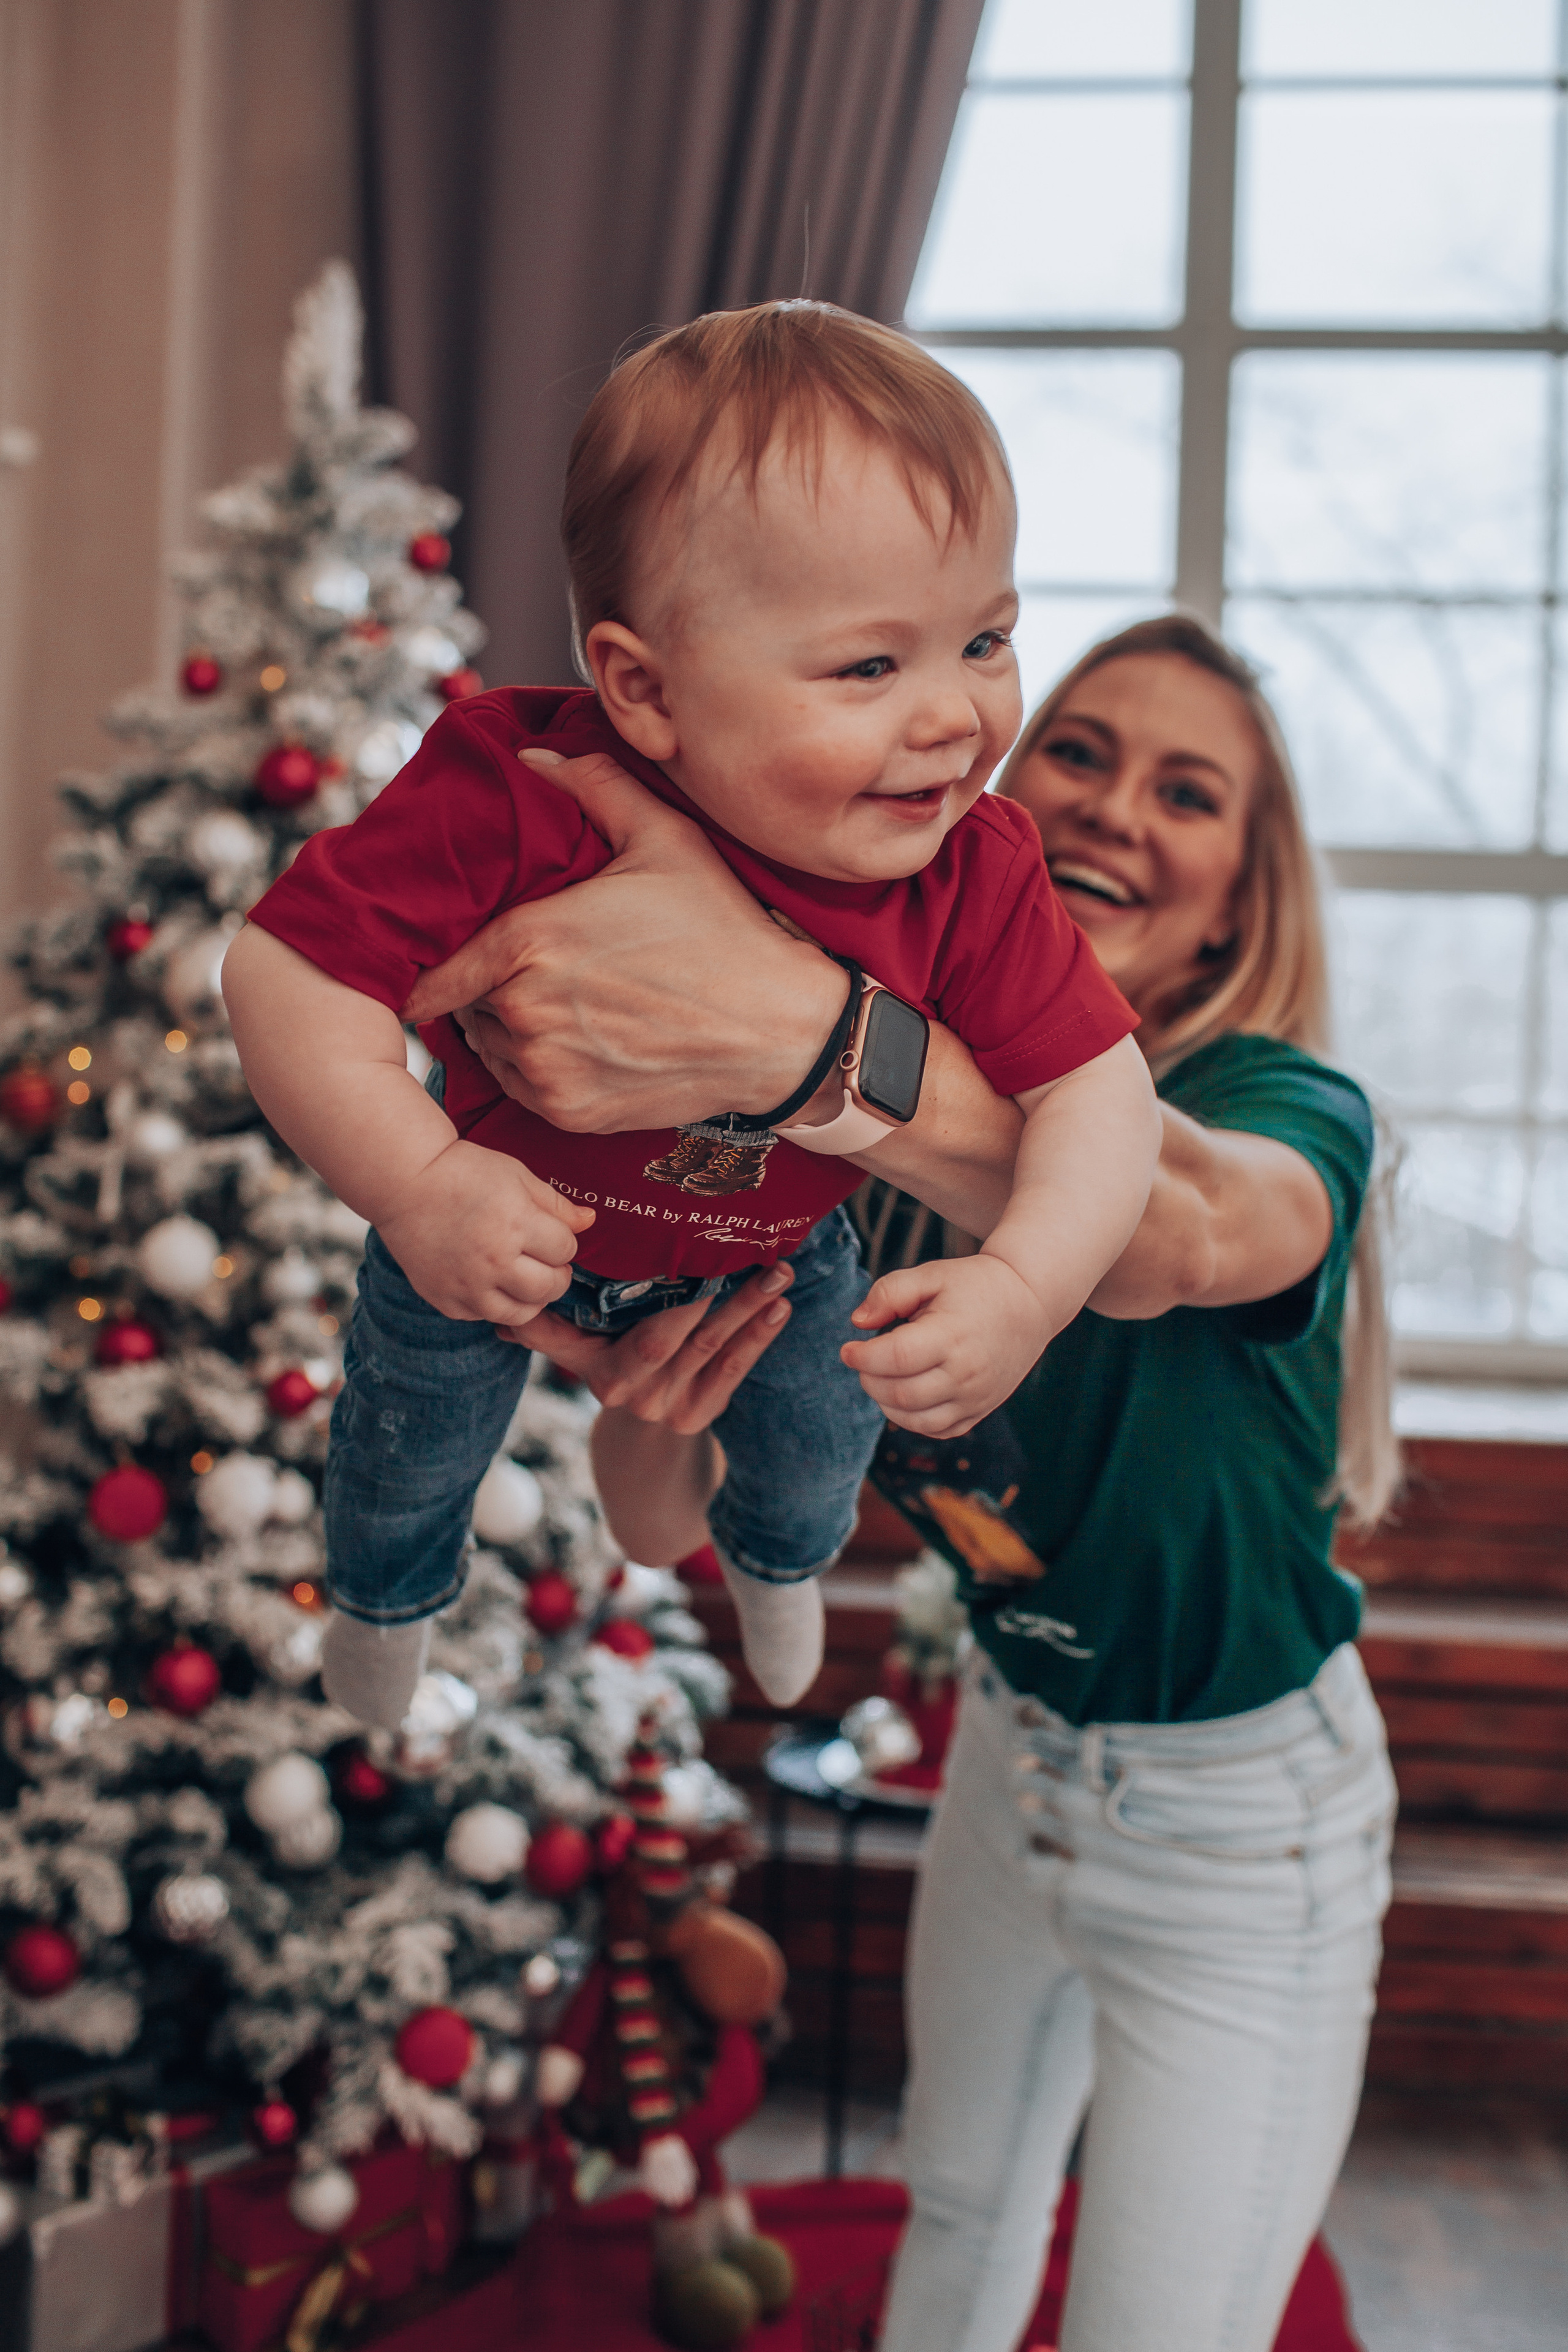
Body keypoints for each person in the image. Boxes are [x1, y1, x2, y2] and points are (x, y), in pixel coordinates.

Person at [405, 613, 1401, 2352]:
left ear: (1241, 900)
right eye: (1080, 754)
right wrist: (659, 1395)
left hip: (1245, 1826)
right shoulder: (875, 1136)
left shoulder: (1288, 1103)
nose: (1112, 810)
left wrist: (800, 1039)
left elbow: (1163, 1236)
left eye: (1189, 793)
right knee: (952, 2228)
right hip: (1015, 1763)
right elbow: (658, 1518)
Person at [222, 301, 1156, 1735]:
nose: (957, 717)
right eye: (868, 666)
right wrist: (418, 1183)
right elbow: (285, 972)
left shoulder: (973, 866)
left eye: (986, 640)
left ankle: (783, 1567)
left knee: (814, 1440)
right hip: (493, 1232)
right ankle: (381, 1607)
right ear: (643, 691)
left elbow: (1100, 1093)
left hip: (772, 1258)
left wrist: (1024, 1287)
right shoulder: (515, 785)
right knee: (402, 1446)